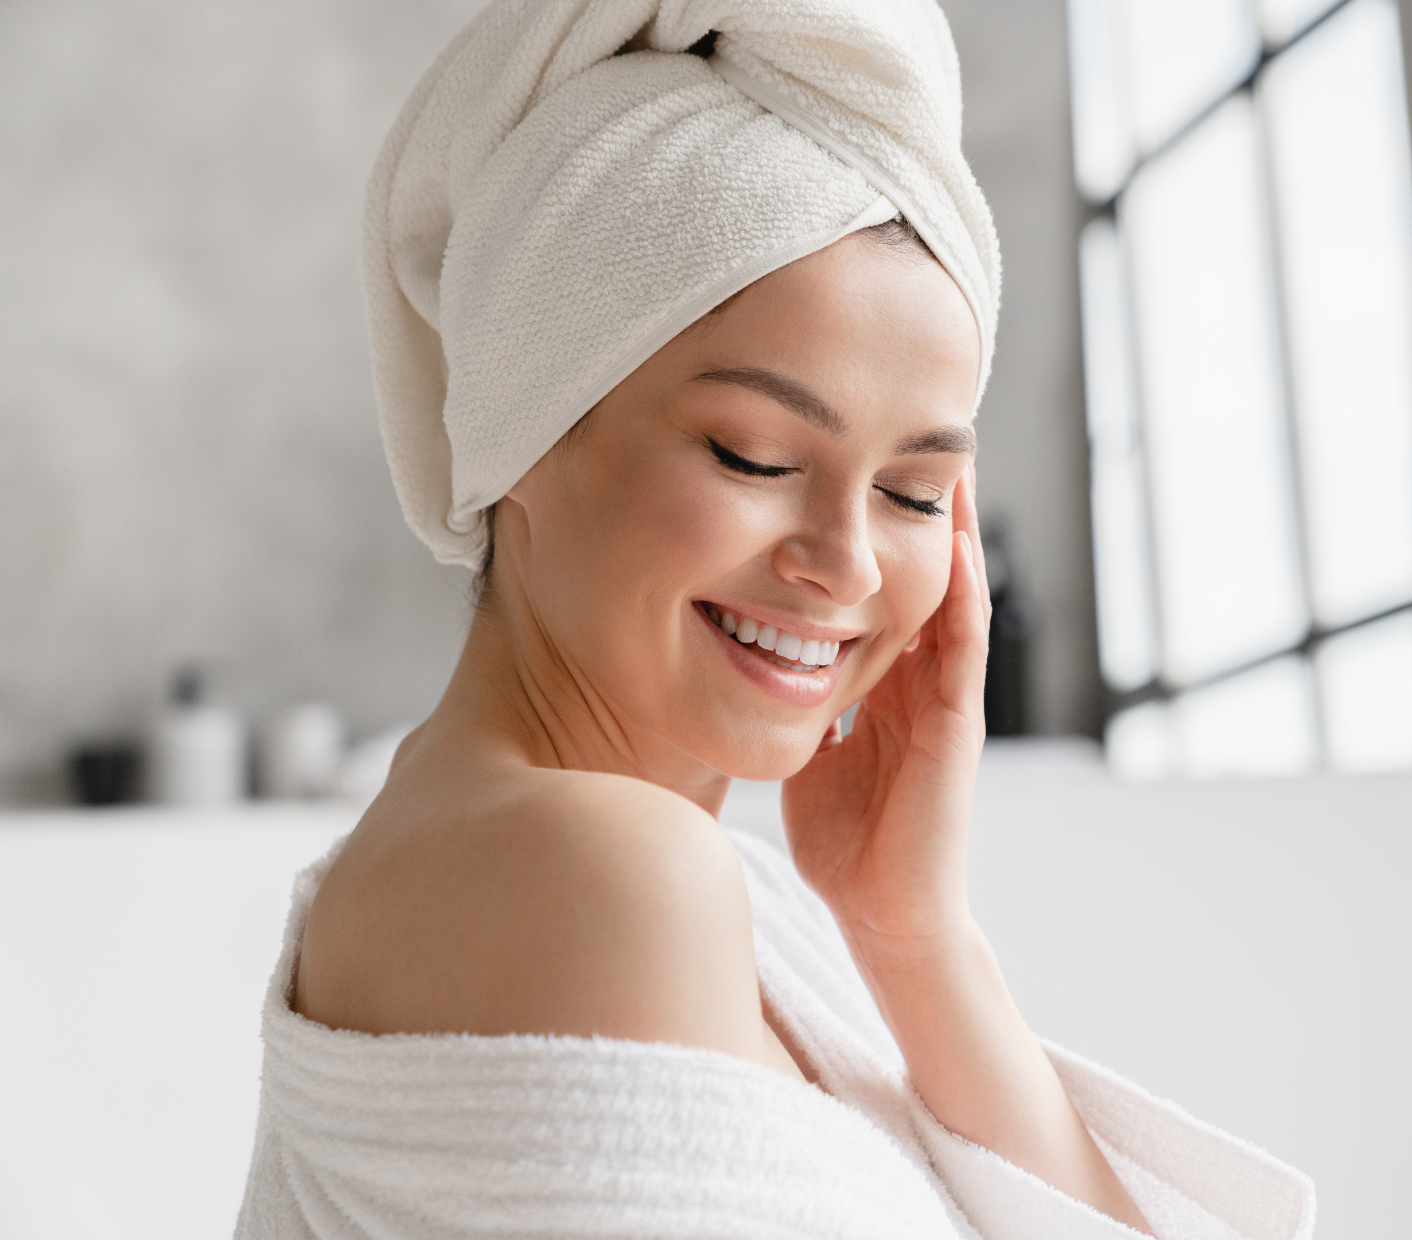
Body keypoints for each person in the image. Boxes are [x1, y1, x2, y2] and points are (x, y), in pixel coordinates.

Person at [236, 2, 1314, 1236]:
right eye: (751, 456)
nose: (845, 561)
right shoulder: (605, 878)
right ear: (512, 426)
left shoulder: (579, 860)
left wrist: (910, 932)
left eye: (915, 491)